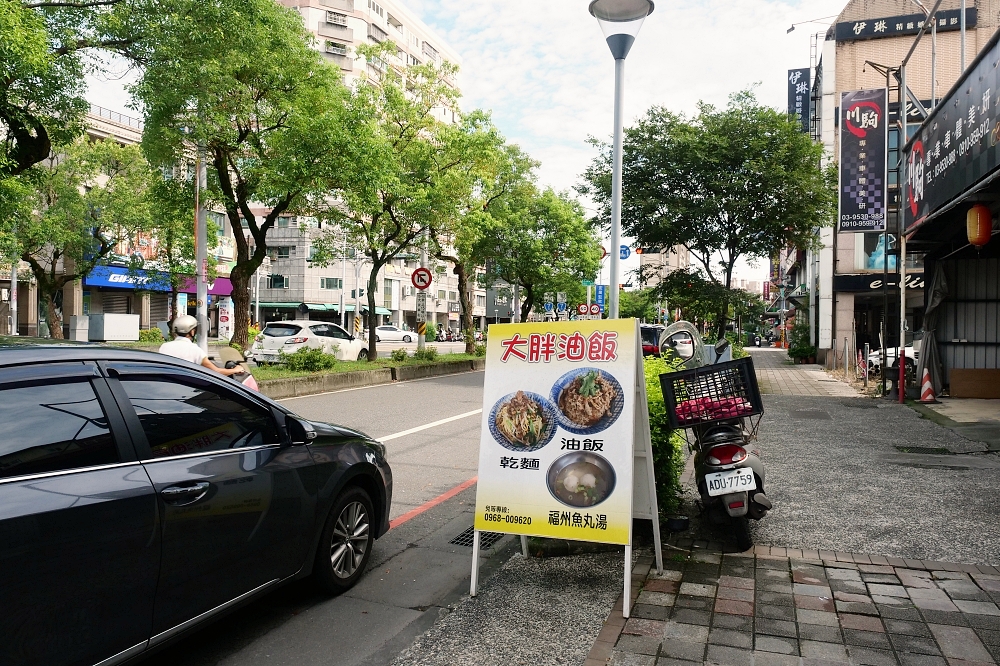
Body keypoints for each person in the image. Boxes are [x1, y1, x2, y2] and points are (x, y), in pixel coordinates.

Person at [160, 315, 243, 377]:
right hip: (187, 389)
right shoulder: (194, 350)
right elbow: (216, 372)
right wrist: (236, 369)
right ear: (192, 332)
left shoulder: (164, 347)